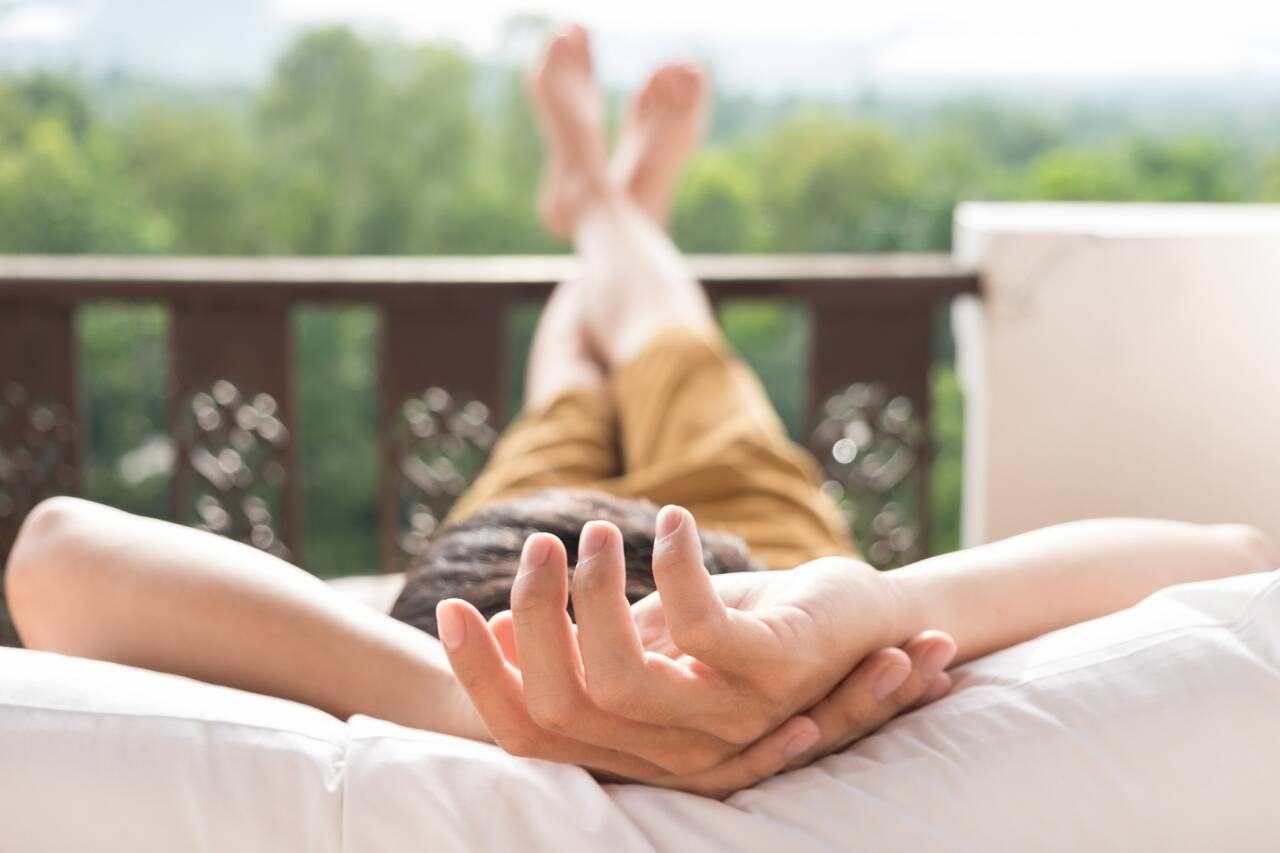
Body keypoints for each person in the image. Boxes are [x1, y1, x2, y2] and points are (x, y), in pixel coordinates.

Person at [5, 24, 1277, 801]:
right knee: (666, 340)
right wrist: (872, 603)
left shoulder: (402, 680)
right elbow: (1236, 559)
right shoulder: (807, 640)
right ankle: (619, 215)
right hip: (739, 558)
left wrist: (484, 704)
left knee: (570, 385)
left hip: (508, 557)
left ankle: (602, 211)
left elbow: (57, 556)